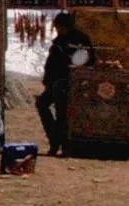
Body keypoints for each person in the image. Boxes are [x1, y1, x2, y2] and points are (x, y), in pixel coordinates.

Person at [36, 11, 91, 157]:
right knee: (42, 103)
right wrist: (47, 81)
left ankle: (64, 145)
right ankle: (54, 139)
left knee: (62, 110)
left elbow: (88, 61)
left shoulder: (81, 40)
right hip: (55, 83)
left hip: (72, 84)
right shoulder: (58, 42)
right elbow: (51, 64)